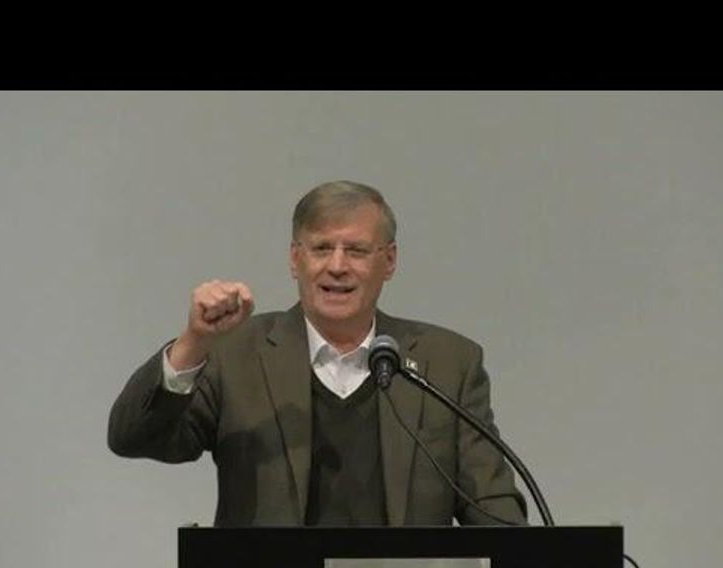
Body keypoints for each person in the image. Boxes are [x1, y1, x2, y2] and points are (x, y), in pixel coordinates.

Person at [108, 180, 526, 527]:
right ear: (296, 260)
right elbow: (133, 437)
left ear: (389, 261)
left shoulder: (448, 363)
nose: (337, 266)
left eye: (356, 250)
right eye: (322, 248)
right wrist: (193, 343)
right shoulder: (236, 353)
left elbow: (495, 513)